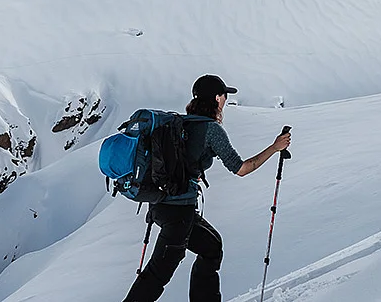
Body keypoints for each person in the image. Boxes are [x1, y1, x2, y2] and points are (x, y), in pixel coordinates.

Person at [122, 74, 292, 302]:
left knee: (211, 246)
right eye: (224, 96)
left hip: (162, 206)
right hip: (178, 213)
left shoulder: (180, 122)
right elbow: (241, 168)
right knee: (157, 275)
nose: (225, 100)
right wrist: (274, 147)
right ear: (216, 98)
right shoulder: (211, 129)